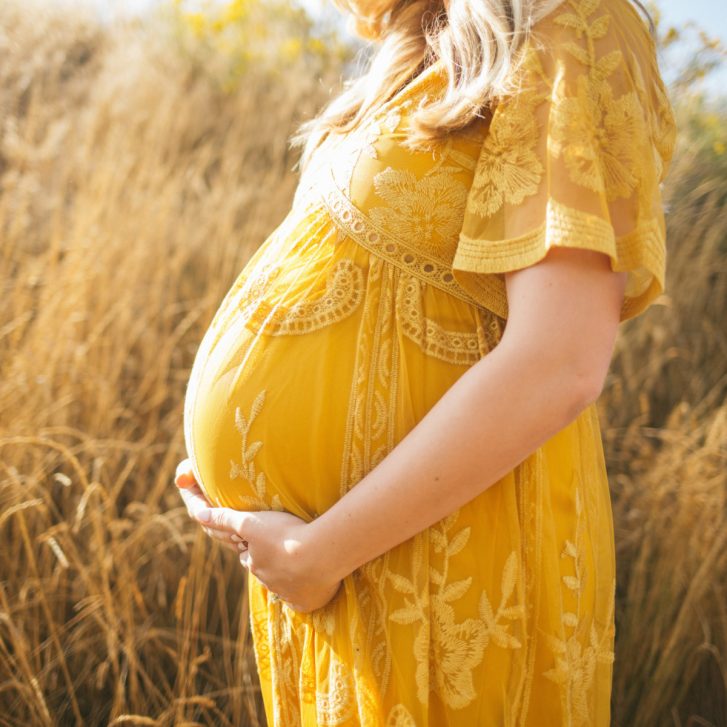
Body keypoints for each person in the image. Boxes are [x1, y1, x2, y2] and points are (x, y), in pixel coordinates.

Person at [174, 0, 676, 723]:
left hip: (445, 564)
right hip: (344, 563)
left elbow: (559, 359)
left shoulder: (578, 26)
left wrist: (320, 552)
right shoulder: (420, 45)